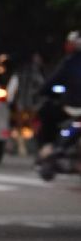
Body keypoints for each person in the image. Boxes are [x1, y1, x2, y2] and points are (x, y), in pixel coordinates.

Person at [36, 30, 81, 158]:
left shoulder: (70, 62)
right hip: (73, 108)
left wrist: (43, 90)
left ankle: (48, 146)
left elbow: (52, 82)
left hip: (72, 107)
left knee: (46, 112)